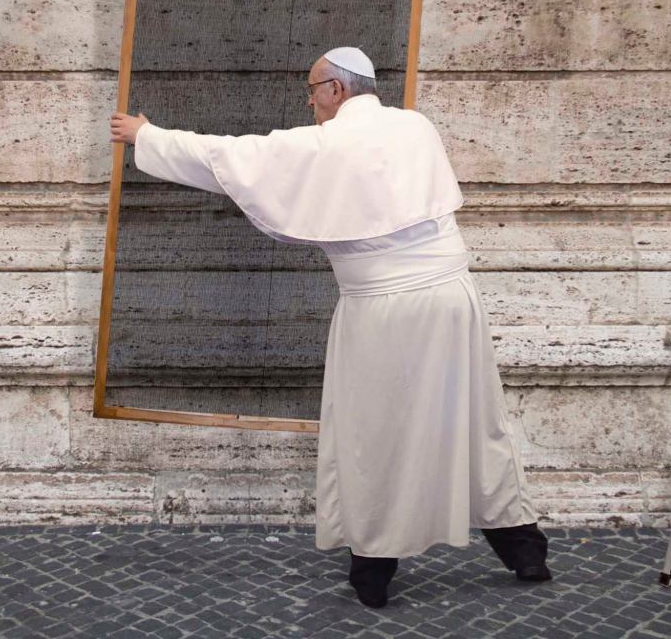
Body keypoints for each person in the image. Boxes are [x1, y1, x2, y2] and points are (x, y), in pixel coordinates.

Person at [109, 47, 551, 608]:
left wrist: (149, 135)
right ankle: (525, 550)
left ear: (337, 90)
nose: (310, 100)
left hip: (382, 308)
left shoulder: (325, 142)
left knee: (373, 433)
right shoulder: (417, 126)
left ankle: (373, 570)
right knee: (476, 419)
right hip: (453, 297)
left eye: (313, 88)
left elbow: (233, 157)